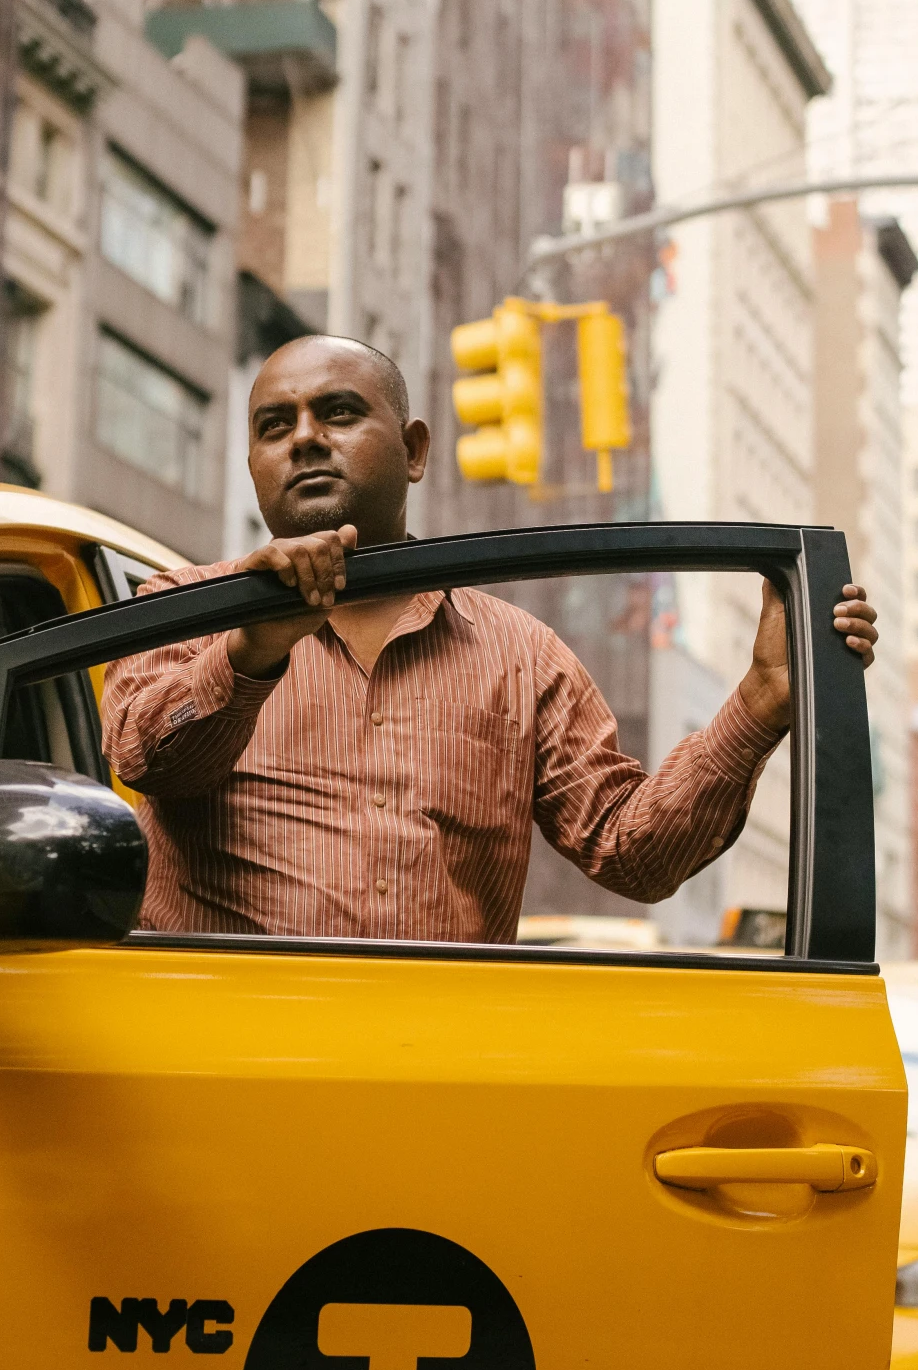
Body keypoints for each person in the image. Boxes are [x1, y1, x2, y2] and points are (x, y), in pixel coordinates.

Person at [102, 334, 878, 940]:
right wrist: (250, 648)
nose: (303, 438)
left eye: (337, 413)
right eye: (275, 426)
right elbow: (145, 763)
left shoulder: (522, 657)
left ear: (413, 450)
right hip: (219, 1070)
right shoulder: (180, 608)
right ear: (252, 462)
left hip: (445, 1078)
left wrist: (762, 700)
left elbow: (633, 853)